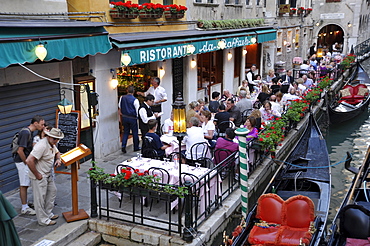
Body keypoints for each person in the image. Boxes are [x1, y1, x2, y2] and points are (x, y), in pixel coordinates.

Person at [26, 128, 64, 226]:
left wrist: (58, 159)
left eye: (57, 139)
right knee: (40, 198)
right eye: (54, 138)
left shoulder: (52, 144)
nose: (56, 141)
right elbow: (29, 160)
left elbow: (57, 152)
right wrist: (37, 174)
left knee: (52, 191)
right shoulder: (42, 145)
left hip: (48, 174)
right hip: (40, 175)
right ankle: (43, 220)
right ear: (49, 136)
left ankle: (48, 213)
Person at [13, 115, 45, 216]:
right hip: (22, 162)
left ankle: (26, 203)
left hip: (24, 161)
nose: (43, 127)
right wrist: (26, 162)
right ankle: (24, 207)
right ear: (35, 123)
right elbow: (20, 150)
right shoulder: (26, 133)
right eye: (42, 124)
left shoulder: (29, 132)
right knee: (24, 184)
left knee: (26, 183)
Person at [118, 86, 140, 153]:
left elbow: (120, 106)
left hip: (125, 117)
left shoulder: (122, 97)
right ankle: (136, 147)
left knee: (125, 132)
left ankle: (123, 145)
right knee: (135, 133)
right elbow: (137, 110)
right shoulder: (135, 100)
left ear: (127, 90)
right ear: (133, 92)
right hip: (132, 118)